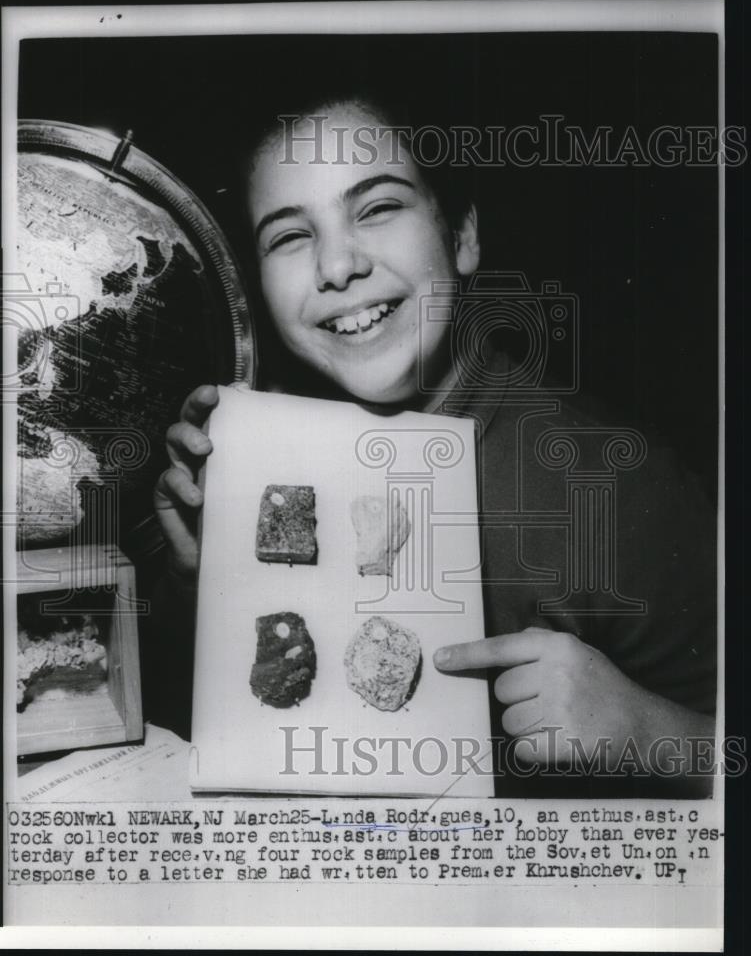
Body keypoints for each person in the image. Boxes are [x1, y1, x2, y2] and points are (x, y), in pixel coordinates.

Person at [153, 93, 716, 792]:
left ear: (462, 236)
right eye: (288, 236)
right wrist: (206, 588)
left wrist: (647, 729)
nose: (336, 266)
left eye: (378, 208)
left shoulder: (613, 481)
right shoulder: (264, 460)